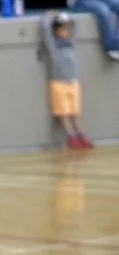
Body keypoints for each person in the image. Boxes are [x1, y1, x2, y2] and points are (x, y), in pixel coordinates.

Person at [42, 12, 93, 151]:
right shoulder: (53, 46)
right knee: (64, 114)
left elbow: (75, 25)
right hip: (59, 84)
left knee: (75, 113)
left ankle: (81, 135)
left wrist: (65, 16)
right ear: (56, 31)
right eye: (62, 29)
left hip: (73, 82)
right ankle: (71, 137)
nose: (66, 32)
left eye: (66, 29)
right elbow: (46, 32)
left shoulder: (71, 43)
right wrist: (48, 17)